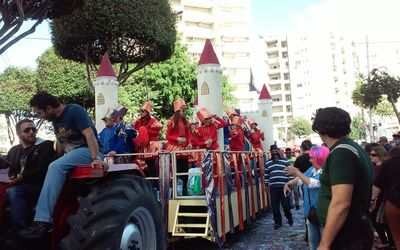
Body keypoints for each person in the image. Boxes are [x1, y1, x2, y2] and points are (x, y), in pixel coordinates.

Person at [19, 92, 107, 238]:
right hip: (72, 153)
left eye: (39, 112)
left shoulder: (75, 111)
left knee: (55, 167)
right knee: (53, 166)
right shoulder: (55, 120)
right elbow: (60, 141)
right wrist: (56, 159)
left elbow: (89, 135)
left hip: (87, 150)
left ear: (48, 108)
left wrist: (96, 158)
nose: (39, 116)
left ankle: (43, 220)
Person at [312, 107, 373, 250]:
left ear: (320, 129)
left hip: (347, 233)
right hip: (353, 228)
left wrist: (324, 244)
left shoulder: (341, 153)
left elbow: (341, 203)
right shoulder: (352, 147)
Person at [0, 119, 56, 230]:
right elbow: (8, 169)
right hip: (16, 184)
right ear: (18, 134)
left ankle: (21, 230)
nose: (31, 132)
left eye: (33, 129)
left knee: (14, 191)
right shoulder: (14, 150)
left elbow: (44, 168)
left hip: (38, 186)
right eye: (27, 130)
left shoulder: (46, 145)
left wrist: (23, 177)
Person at [284, 146, 329, 250]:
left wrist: (296, 172)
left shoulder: (325, 171)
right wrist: (290, 183)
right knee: (313, 243)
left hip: (323, 214)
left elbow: (311, 183)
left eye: (312, 157)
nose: (310, 160)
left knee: (324, 244)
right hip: (310, 213)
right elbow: (301, 179)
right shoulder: (312, 170)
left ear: (319, 158)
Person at [371, 147, 400, 250]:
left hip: (393, 204)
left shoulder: (387, 164)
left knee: (397, 237)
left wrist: (372, 200)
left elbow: (377, 185)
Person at [165, 98, 192, 195]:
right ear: (178, 111)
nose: (185, 112)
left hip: (184, 149)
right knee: (175, 170)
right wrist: (177, 139)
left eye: (185, 110)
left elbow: (189, 134)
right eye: (183, 110)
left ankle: (185, 189)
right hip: (174, 148)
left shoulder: (187, 122)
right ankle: (174, 191)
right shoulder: (171, 121)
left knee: (185, 170)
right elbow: (167, 136)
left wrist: (189, 142)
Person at [368, 146, 393, 248]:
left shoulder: (381, 168)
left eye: (373, 155)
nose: (371, 157)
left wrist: (373, 198)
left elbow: (378, 184)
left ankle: (386, 241)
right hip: (378, 198)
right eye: (370, 154)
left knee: (378, 221)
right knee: (379, 221)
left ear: (380, 155)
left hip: (380, 199)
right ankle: (388, 241)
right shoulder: (375, 168)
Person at [264, 144, 293, 230]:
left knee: (286, 205)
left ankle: (289, 218)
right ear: (271, 152)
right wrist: (266, 185)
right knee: (275, 207)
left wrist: (290, 184)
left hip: (284, 187)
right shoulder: (268, 163)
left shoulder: (285, 161)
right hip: (273, 188)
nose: (274, 153)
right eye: (272, 151)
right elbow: (266, 175)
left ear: (278, 151)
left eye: (275, 151)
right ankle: (277, 223)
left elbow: (290, 172)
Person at [133, 101, 162, 177]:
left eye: (143, 111)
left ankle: (155, 184)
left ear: (147, 112)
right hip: (143, 146)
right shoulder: (138, 121)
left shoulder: (153, 121)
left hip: (151, 146)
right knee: (144, 167)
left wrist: (145, 130)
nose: (141, 113)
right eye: (140, 111)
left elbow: (156, 133)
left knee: (152, 166)